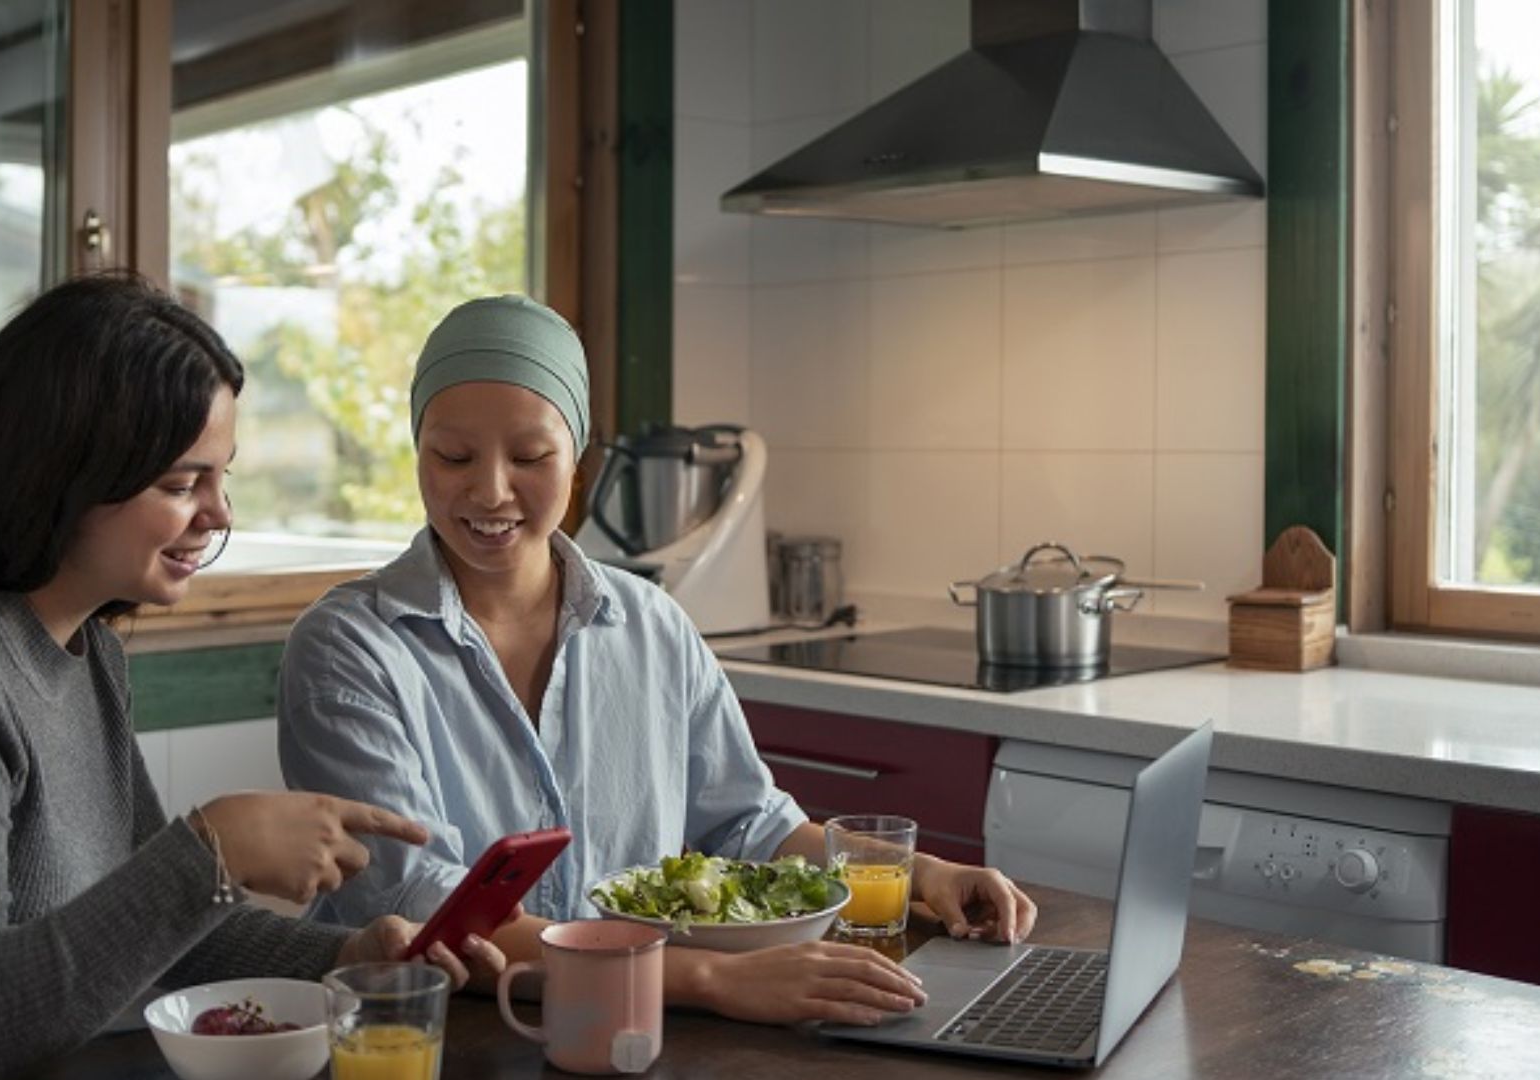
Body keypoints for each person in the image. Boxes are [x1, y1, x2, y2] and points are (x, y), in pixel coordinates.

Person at [0, 275, 504, 1080]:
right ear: (60, 476)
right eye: (180, 484)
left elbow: (153, 919)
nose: (219, 513)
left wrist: (348, 955)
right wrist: (212, 848)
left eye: (222, 476)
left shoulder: (84, 653)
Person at [278, 295, 1038, 1028]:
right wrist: (715, 978)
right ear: (417, 449)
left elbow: (747, 822)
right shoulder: (350, 647)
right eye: (452, 455)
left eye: (531, 455)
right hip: (441, 1033)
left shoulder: (649, 624)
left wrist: (923, 876)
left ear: (578, 459)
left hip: (634, 1030)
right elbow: (428, 911)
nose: (490, 489)